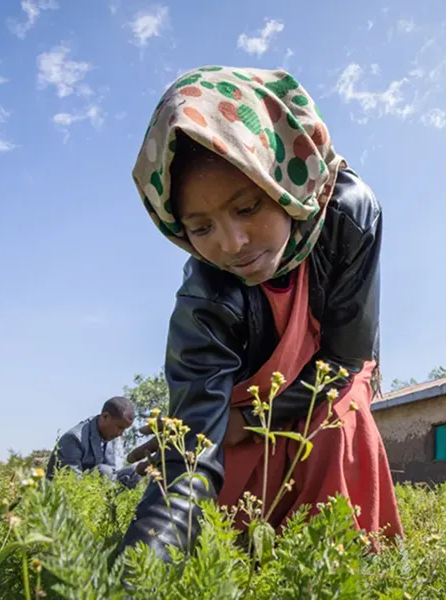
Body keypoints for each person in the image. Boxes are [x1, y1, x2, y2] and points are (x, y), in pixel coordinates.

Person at [119, 66, 402, 559]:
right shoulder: (205, 300)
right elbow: (190, 459)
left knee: (340, 420)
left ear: (280, 181)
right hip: (248, 404)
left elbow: (341, 364)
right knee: (224, 537)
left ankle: (340, 561)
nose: (231, 245)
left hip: (326, 381)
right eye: (201, 228)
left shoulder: (348, 216)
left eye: (247, 208)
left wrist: (246, 424)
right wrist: (134, 575)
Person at [45, 396, 145, 488]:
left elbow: (113, 472)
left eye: (124, 429)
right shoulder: (74, 438)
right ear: (105, 416)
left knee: (135, 471)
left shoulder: (110, 436)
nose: (120, 433)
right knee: (104, 471)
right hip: (69, 495)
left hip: (99, 488)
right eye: (119, 427)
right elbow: (73, 481)